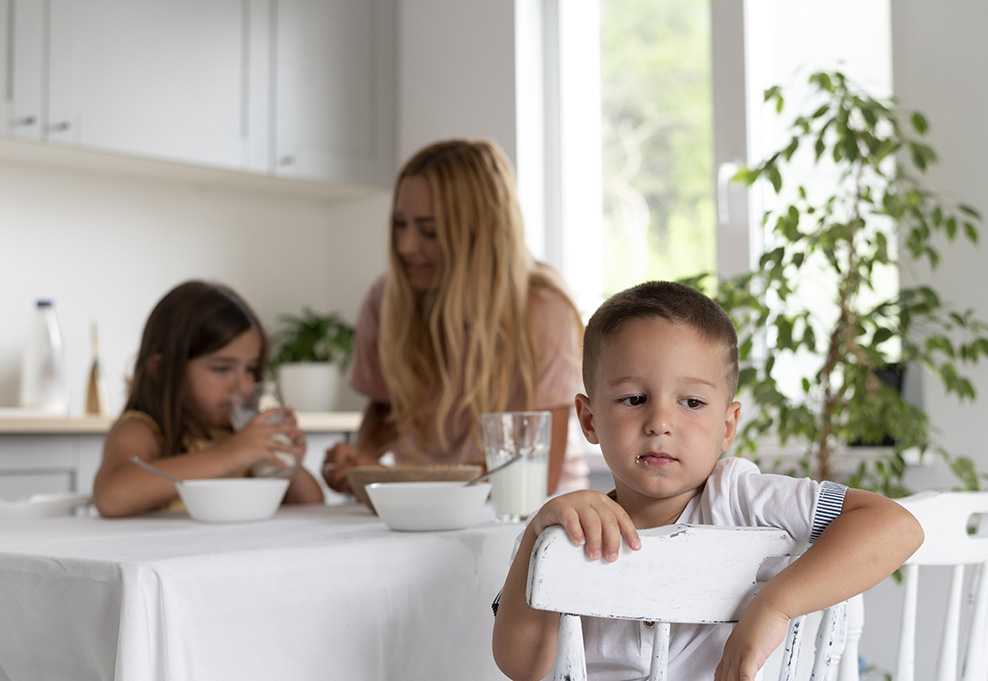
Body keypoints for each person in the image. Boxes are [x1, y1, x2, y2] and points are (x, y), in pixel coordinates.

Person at [491, 280, 924, 681]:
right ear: (589, 419)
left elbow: (896, 525)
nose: (660, 422)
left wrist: (773, 605)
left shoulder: (742, 497)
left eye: (692, 402)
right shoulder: (569, 533)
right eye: (634, 399)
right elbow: (522, 666)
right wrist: (537, 534)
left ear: (727, 426)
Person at [322, 139, 587, 495]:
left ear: (481, 232)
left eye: (429, 231)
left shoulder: (542, 309)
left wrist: (407, 480)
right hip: (428, 509)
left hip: (533, 519)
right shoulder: (386, 300)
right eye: (401, 224)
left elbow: (533, 476)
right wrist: (361, 457)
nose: (405, 246)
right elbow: (386, 406)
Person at [93, 280, 324, 517]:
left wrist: (286, 461)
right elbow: (112, 497)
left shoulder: (239, 434)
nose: (243, 386)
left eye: (250, 368)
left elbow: (312, 506)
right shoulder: (142, 431)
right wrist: (231, 455)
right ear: (163, 371)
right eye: (222, 369)